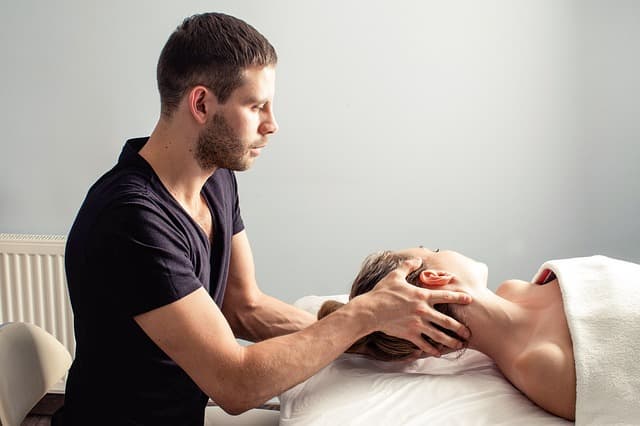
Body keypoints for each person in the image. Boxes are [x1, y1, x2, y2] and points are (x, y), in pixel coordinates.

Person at [59, 13, 473, 426]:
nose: (272, 124)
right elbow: (234, 384)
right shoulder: (132, 220)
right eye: (256, 106)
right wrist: (365, 314)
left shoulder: (216, 178)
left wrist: (369, 341)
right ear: (201, 104)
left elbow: (244, 306)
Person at [318, 247, 584, 421]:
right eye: (434, 250)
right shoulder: (543, 364)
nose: (444, 248)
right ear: (436, 277)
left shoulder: (514, 290)